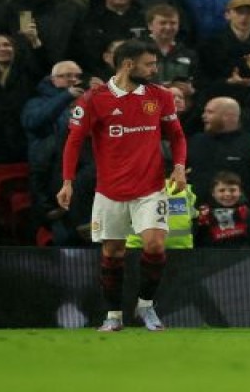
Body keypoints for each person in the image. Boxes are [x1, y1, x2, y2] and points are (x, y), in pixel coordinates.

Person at [57, 39, 188, 332]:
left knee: (154, 245)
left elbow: (176, 136)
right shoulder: (94, 99)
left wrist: (178, 167)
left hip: (151, 187)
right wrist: (67, 182)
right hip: (110, 190)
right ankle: (113, 315)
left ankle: (146, 307)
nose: (155, 69)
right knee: (113, 252)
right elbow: (74, 142)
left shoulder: (161, 96)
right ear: (129, 65)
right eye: (149, 64)